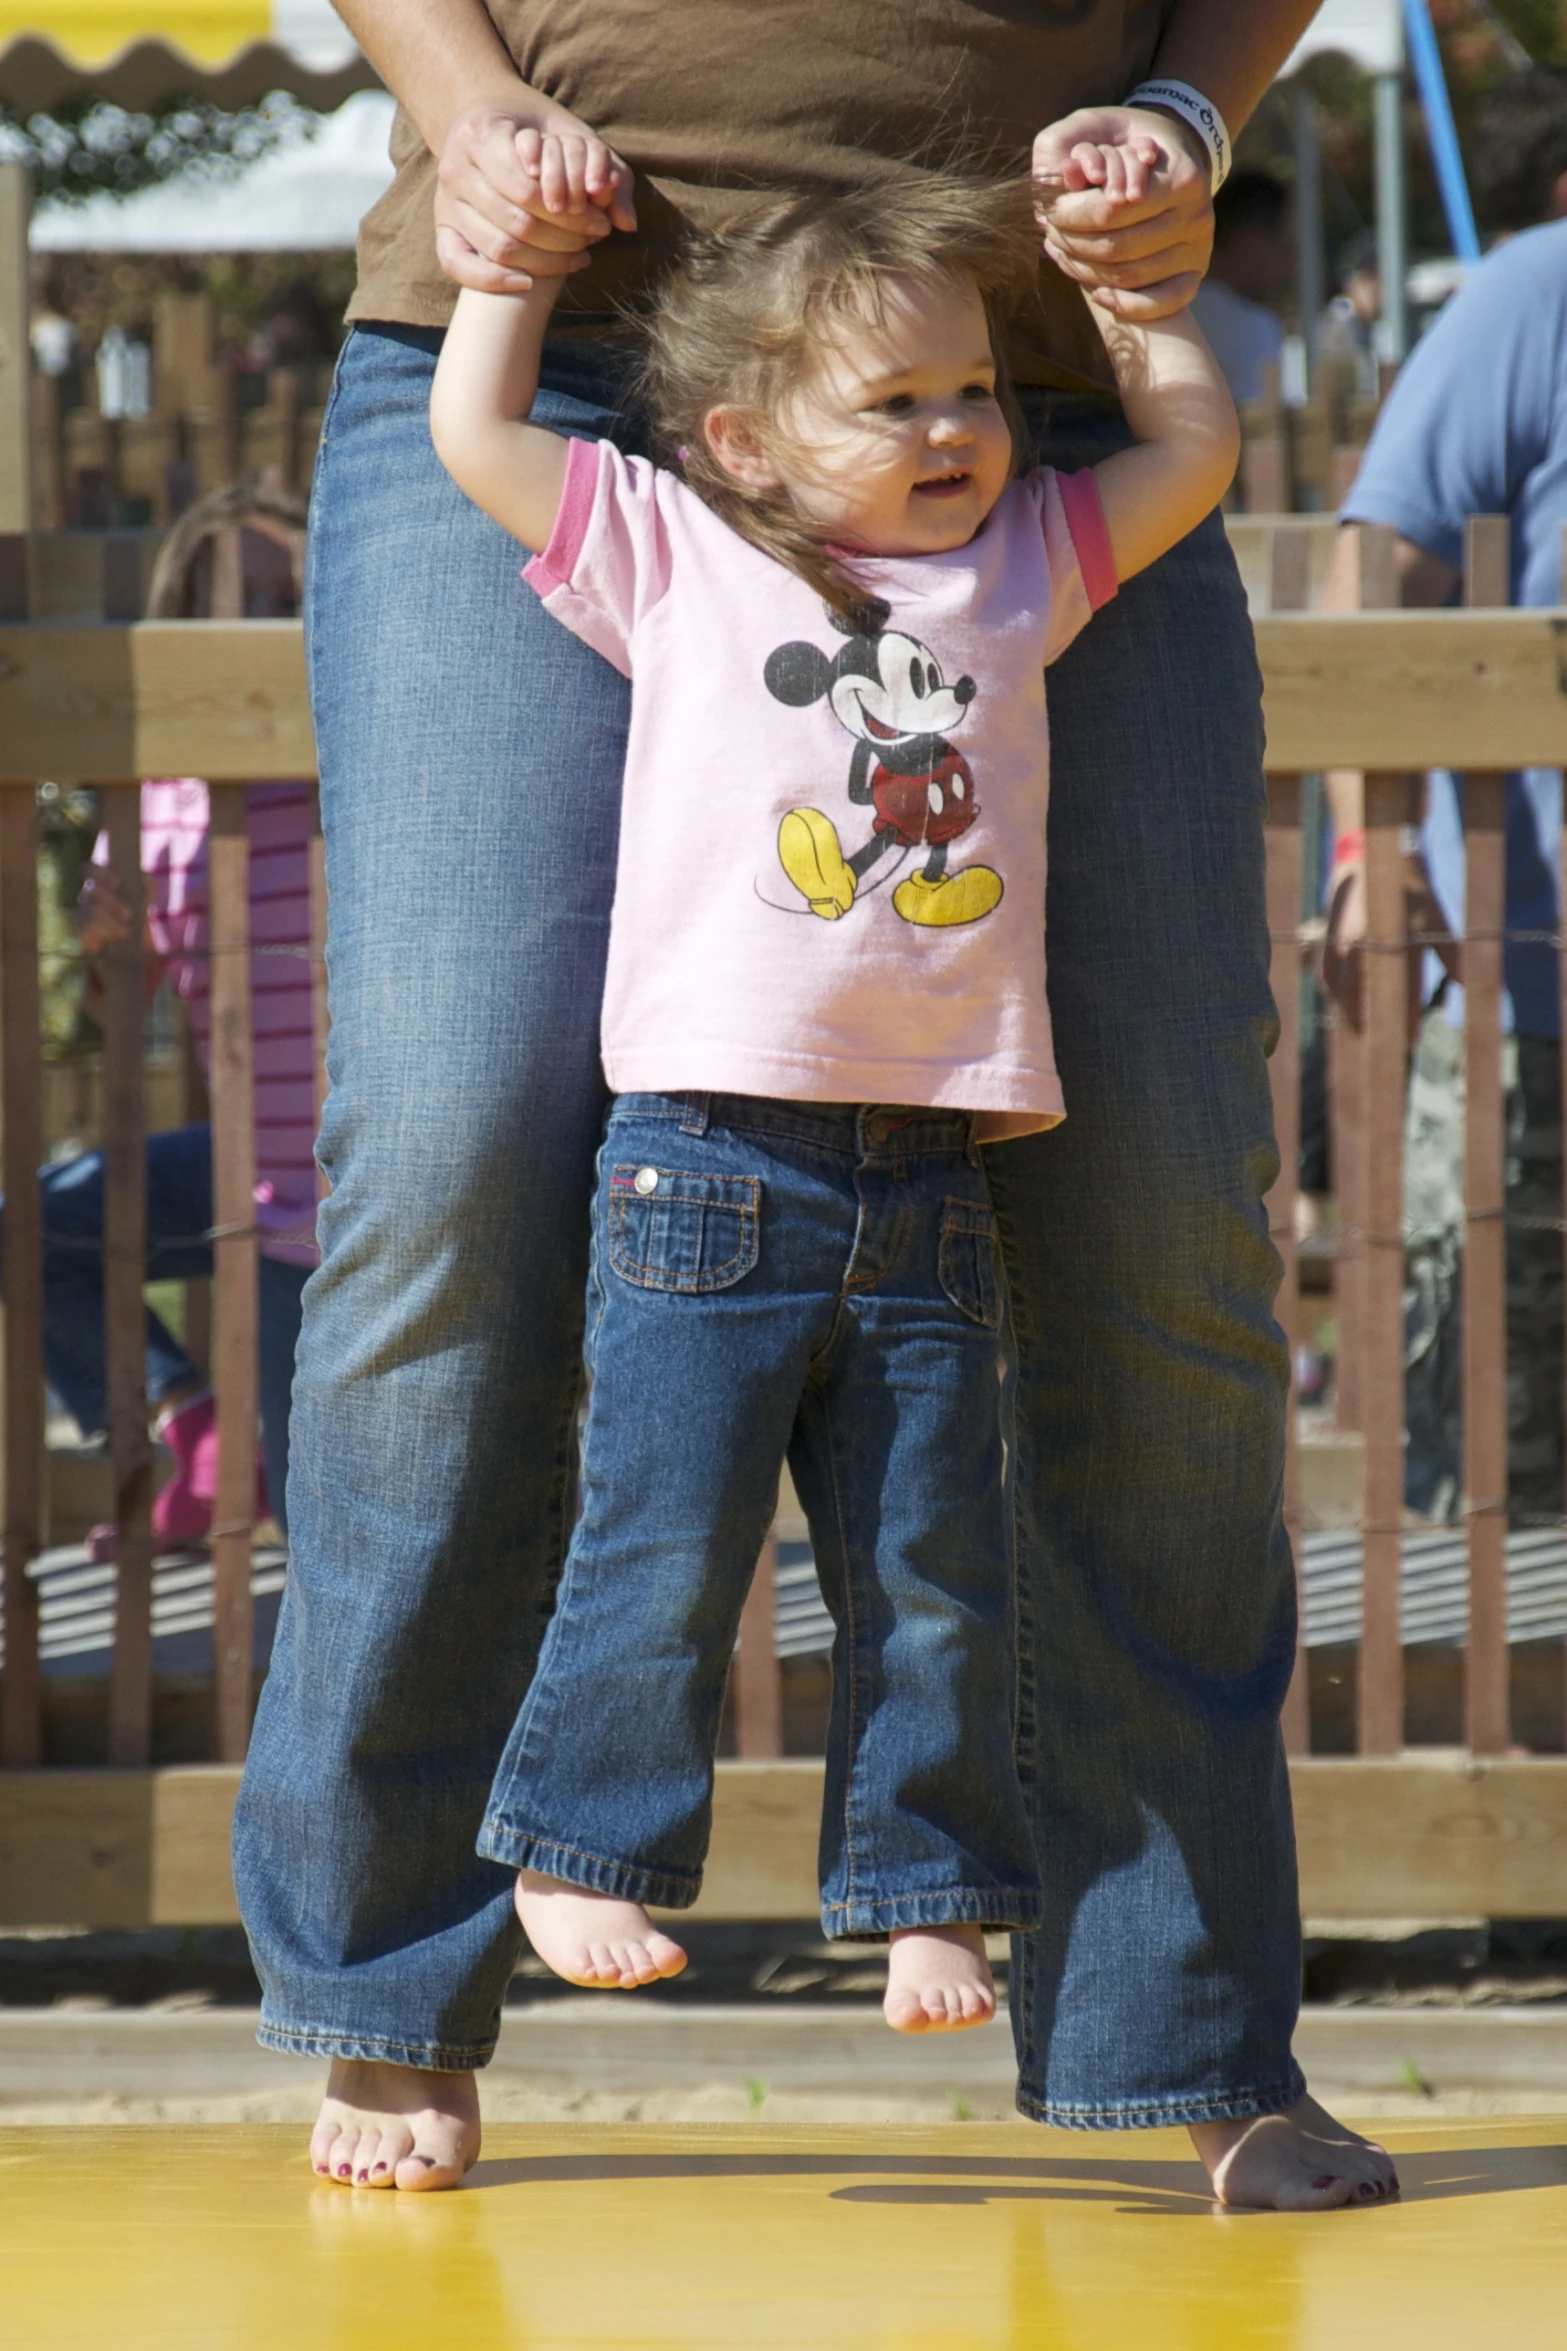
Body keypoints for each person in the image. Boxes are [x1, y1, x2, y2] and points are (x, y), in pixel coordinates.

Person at [234, 0, 1398, 2213]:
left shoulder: (1028, 483)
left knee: (1152, 1207)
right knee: (462, 1143)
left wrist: (1178, 113)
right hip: (568, 342)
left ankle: (1175, 2018)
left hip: (1024, 372)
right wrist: (471, 123)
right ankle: (391, 1973)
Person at [429, 147, 1238, 2032]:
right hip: (709, 1153)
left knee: (930, 1566)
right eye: (895, 403)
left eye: (971, 390)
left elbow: (1186, 462)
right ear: (749, 440)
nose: (957, 430)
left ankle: (928, 1889)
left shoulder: (1017, 563)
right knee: (667, 1527)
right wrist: (517, 268)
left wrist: (1135, 320)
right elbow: (475, 431)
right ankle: (577, 1845)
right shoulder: (682, 549)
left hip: (931, 1167)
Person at [1321, 65, 1567, 1526]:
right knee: (1490, 1488)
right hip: (1524, 1001)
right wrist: (1373, 840)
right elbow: (1379, 567)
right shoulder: (1534, 289)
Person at [12, 487, 320, 1548]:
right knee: (30, 1228)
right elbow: (121, 1005)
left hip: (365, 1194)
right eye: (239, 602)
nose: (273, 625)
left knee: (317, 1508)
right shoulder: (163, 791)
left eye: (292, 597)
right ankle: (188, 1424)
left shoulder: (362, 762)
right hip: (253, 1171)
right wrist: (112, 946)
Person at [1189, 168, 1291, 404]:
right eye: (1285, 248)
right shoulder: (1255, 327)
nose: (1290, 267)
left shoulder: (1167, 310)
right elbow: (1264, 427)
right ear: (1250, 243)